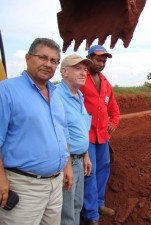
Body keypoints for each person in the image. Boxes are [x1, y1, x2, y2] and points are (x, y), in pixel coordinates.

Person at [0, 38, 73, 225]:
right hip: (24, 187)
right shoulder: (6, 91)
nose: (48, 64)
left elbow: (62, 132)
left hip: (55, 185)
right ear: (27, 58)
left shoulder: (55, 94)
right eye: (43, 57)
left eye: (53, 61)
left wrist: (67, 167)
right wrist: (1, 179)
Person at [80, 45, 120, 224]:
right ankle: (90, 215)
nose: (101, 64)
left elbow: (114, 109)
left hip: (102, 136)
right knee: (90, 171)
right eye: (98, 60)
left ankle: (99, 204)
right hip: (86, 136)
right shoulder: (81, 79)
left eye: (104, 61)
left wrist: (113, 123)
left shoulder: (105, 83)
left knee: (104, 169)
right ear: (88, 59)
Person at [56, 54, 93, 225]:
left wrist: (86, 155)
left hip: (79, 160)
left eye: (85, 69)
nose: (84, 73)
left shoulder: (79, 96)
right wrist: (67, 166)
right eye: (78, 68)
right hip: (67, 162)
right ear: (64, 72)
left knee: (77, 205)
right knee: (67, 212)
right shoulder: (56, 96)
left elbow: (82, 129)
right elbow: (59, 134)